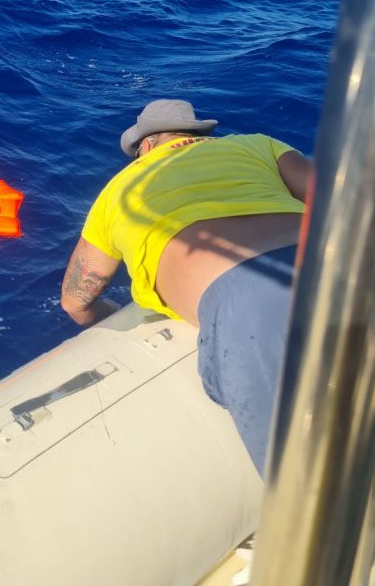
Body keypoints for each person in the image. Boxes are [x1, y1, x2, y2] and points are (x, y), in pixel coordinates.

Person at [60, 98, 314, 475]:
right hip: (335, 267)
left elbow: (75, 302)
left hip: (248, 305)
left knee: (312, 490)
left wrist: (106, 315)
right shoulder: (258, 143)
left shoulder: (118, 189)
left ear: (146, 145)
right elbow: (340, 198)